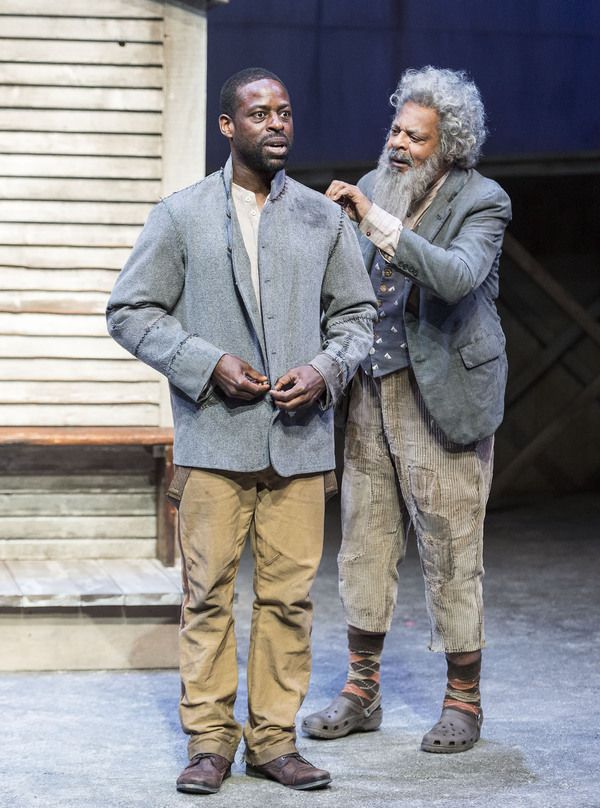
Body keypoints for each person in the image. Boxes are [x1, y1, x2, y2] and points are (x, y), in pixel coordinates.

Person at [106, 67, 376, 793]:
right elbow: (130, 311)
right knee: (208, 597)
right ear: (228, 126)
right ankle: (209, 741)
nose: (277, 124)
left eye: (285, 112)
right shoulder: (183, 214)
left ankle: (273, 740)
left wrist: (324, 368)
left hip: (296, 441)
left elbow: (357, 319)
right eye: (260, 114)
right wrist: (204, 361)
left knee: (288, 599)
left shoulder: (323, 218)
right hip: (215, 442)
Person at [302, 66, 511, 754]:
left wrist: (376, 221)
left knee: (452, 550)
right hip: (370, 390)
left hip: (442, 393)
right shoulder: (373, 186)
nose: (397, 144)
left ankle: (463, 703)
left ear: (447, 146)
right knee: (363, 544)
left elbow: (455, 277)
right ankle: (362, 691)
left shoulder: (483, 200)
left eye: (414, 138)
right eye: (395, 129)